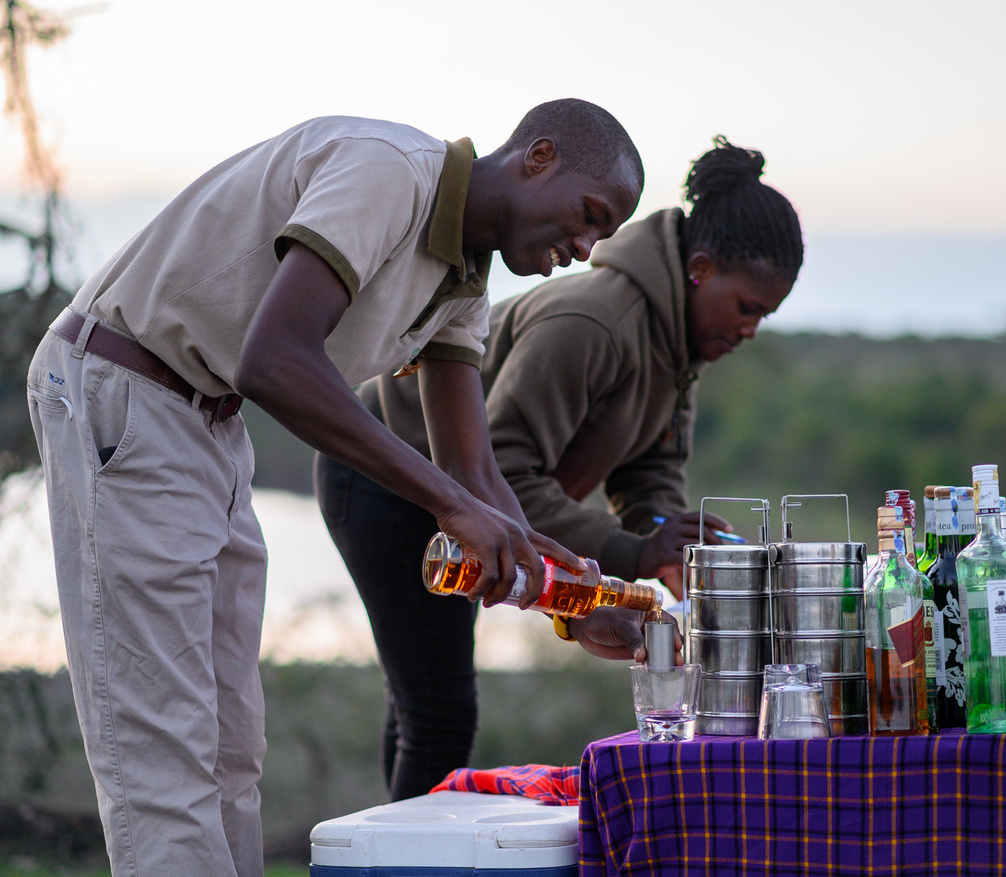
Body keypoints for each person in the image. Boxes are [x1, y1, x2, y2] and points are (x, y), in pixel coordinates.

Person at [25, 99, 644, 877]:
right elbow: (275, 359)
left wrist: (571, 599)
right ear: (539, 157)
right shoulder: (389, 173)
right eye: (588, 215)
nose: (584, 247)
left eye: (603, 236)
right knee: (163, 752)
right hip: (125, 389)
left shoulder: (462, 284)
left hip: (208, 423)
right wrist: (450, 506)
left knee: (230, 748)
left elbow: (474, 473)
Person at [315, 136, 805, 800]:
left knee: (423, 699)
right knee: (439, 707)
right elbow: (502, 475)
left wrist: (665, 541)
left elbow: (648, 474)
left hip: (466, 493)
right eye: (747, 307)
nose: (751, 330)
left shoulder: (679, 350)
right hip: (385, 477)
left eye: (765, 317)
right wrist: (626, 550)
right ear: (699, 268)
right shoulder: (591, 323)